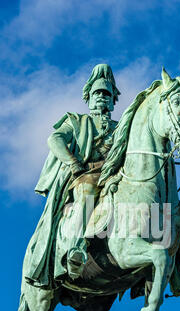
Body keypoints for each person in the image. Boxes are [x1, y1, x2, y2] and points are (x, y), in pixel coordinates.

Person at [23, 64, 120, 288]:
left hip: (114, 175)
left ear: (114, 99)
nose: (102, 98)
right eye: (97, 93)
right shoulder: (76, 121)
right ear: (88, 98)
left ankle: (173, 262)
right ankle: (76, 248)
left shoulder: (122, 126)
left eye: (107, 94)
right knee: (87, 190)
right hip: (84, 174)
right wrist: (73, 163)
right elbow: (54, 140)